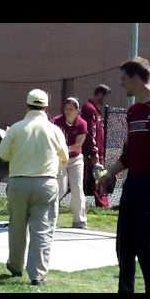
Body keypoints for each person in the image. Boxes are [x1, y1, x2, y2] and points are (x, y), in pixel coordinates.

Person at [98, 57, 150, 294]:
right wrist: (108, 174)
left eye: (124, 79)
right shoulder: (133, 111)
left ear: (136, 78)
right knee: (124, 245)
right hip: (133, 184)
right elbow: (129, 155)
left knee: (144, 245)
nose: (121, 84)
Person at [0, 89, 69, 286]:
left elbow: (3, 154)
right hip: (45, 183)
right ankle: (37, 274)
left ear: (27, 105)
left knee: (17, 227)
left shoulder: (15, 128)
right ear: (46, 107)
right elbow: (65, 156)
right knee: (43, 229)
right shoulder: (54, 130)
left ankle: (15, 265)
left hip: (18, 182)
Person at [51, 97, 88, 229]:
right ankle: (51, 219)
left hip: (75, 160)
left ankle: (79, 220)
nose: (68, 112)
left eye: (71, 109)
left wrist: (65, 148)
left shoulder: (82, 123)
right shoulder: (56, 122)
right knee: (60, 189)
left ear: (77, 111)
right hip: (60, 159)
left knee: (77, 189)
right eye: (66, 109)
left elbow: (78, 145)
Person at [81, 84, 111, 208]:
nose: (105, 100)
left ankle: (103, 204)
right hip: (93, 153)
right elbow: (90, 133)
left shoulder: (95, 110)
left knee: (99, 177)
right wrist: (94, 153)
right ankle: (102, 204)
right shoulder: (89, 109)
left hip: (99, 152)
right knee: (98, 177)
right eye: (105, 96)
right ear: (100, 94)